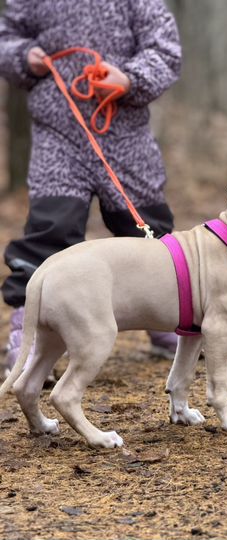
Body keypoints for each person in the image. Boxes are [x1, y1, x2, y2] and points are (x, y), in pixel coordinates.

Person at [0, 0, 182, 375]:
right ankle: (29, 329)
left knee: (147, 228)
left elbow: (165, 49)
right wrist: (22, 56)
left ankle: (166, 317)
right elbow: (6, 37)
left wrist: (130, 78)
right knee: (50, 228)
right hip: (57, 135)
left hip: (124, 133)